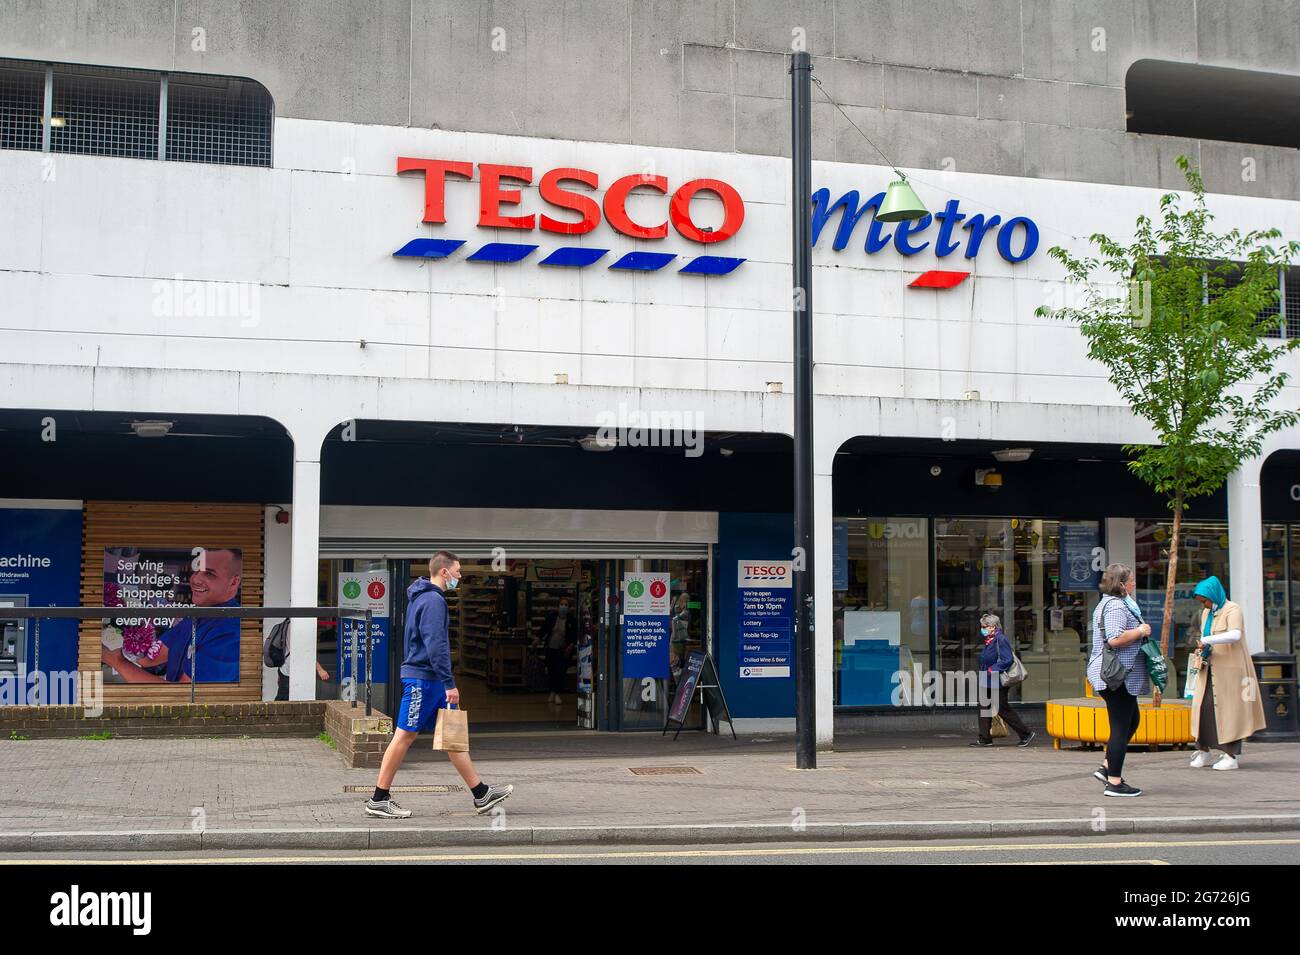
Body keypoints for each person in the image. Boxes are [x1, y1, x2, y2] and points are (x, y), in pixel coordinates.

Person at [366, 551, 513, 819]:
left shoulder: (422, 598)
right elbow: (436, 645)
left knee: (452, 737)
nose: (460, 576)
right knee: (404, 736)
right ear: (443, 572)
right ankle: (379, 798)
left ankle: (481, 794)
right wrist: (449, 682)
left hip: (430, 680)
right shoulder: (434, 601)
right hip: (424, 680)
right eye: (457, 572)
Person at [101, 547, 243, 683]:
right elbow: (149, 658)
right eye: (197, 571)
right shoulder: (195, 616)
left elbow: (185, 696)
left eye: (210, 574)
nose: (195, 580)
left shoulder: (230, 632)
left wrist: (116, 660)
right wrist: (120, 636)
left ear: (234, 582)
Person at [1188, 576, 1265, 771]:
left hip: (1231, 669)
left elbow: (1235, 634)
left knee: (1231, 712)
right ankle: (1204, 750)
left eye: (1205, 600)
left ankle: (1230, 756)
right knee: (1203, 709)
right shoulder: (1207, 613)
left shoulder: (1233, 609)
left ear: (1213, 595)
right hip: (1210, 667)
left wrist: (1209, 640)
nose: (1204, 604)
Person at [1085, 562, 1150, 797]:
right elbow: (1114, 639)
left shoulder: (1116, 604)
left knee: (1132, 721)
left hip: (1119, 675)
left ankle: (1106, 768)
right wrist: (1141, 631)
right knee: (1121, 727)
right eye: (1131, 579)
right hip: (1116, 676)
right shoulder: (1115, 607)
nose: (1134, 583)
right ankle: (1114, 781)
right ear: (1122, 585)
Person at [970, 613, 1035, 747]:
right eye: (982, 626)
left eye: (985, 626)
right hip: (986, 677)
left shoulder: (1000, 639)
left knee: (1001, 708)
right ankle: (985, 738)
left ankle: (1026, 733)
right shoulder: (990, 640)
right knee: (983, 708)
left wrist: (992, 669)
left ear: (993, 627)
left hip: (995, 678)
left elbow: (1007, 659)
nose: (983, 629)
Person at [535, 596, 576, 705]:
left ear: (569, 607)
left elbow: (573, 635)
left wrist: (570, 646)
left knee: (560, 672)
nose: (563, 607)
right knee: (551, 671)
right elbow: (544, 629)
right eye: (561, 604)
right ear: (558, 606)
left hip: (563, 650)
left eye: (566, 605)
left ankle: (557, 693)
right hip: (550, 648)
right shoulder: (551, 617)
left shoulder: (571, 619)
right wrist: (538, 639)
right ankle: (552, 692)